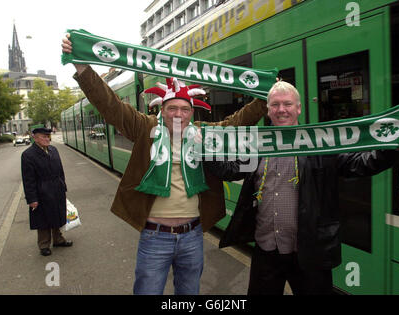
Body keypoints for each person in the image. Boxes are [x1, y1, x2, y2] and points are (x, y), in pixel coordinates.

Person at [61, 35, 267, 295]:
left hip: (193, 235)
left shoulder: (204, 133)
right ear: (162, 110)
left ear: (192, 112)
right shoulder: (144, 127)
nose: (178, 114)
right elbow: (110, 106)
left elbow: (237, 123)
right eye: (172, 109)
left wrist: (264, 99)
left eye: (184, 109)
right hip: (154, 236)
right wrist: (82, 68)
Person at [205, 80, 399, 295]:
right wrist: (204, 147)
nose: (281, 110)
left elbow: (361, 164)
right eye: (275, 105)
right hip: (266, 250)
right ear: (267, 110)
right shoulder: (256, 145)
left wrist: (395, 145)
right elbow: (230, 170)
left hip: (310, 253)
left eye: (287, 104)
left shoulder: (320, 142)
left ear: (299, 108)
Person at [21, 127, 72, 257]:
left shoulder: (53, 150)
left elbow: (60, 170)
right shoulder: (28, 155)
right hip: (42, 191)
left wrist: (63, 186)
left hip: (56, 188)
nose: (47, 139)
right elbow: (28, 180)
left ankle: (58, 239)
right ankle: (44, 245)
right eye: (43, 136)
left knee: (57, 215)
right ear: (35, 138)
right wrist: (32, 199)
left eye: (48, 136)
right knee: (43, 219)